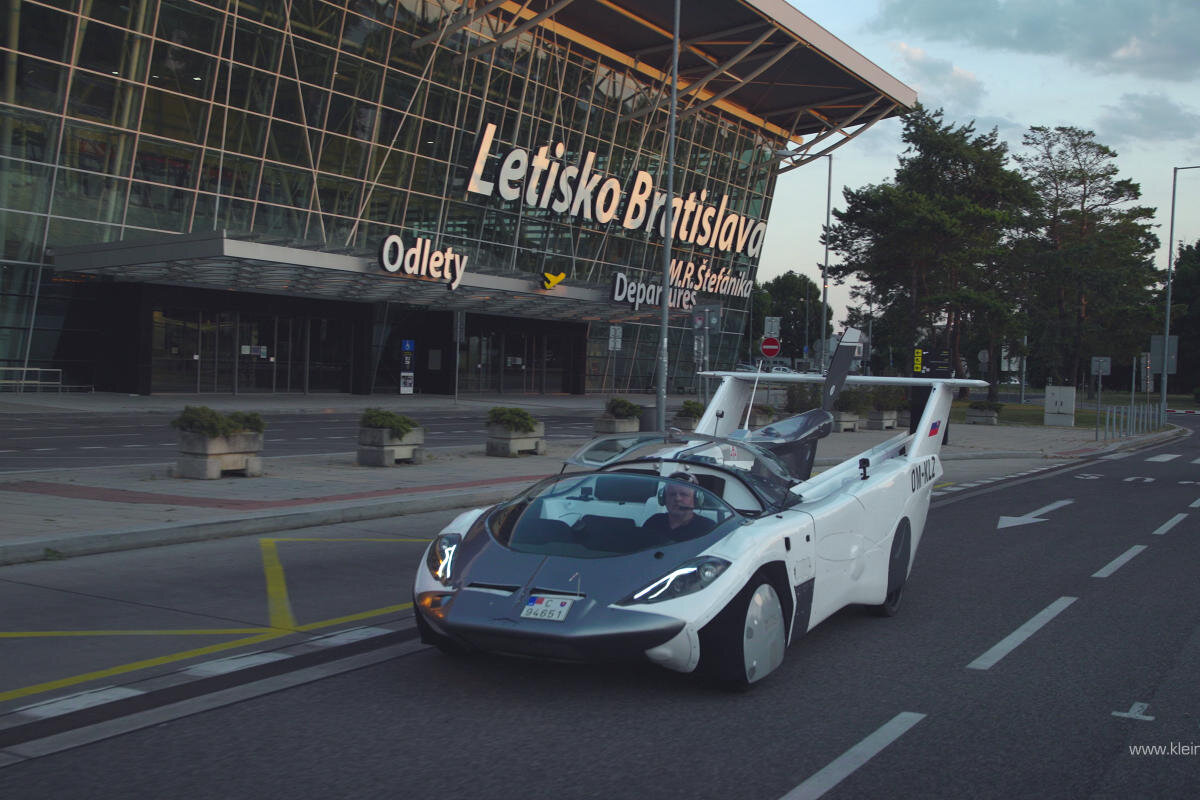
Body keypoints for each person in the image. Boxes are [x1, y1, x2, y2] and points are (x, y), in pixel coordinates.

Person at [644, 472, 712, 541]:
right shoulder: (654, 522)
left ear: (696, 499)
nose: (677, 499)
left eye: (684, 494)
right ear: (664, 498)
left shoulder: (708, 528)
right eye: (672, 494)